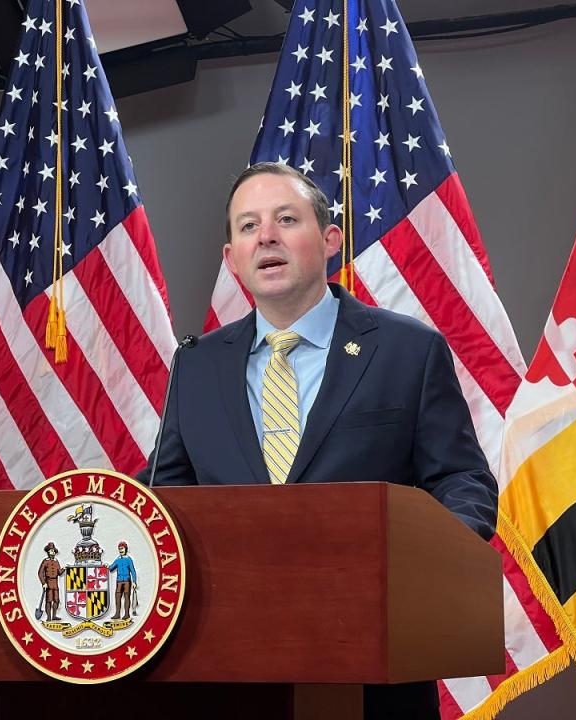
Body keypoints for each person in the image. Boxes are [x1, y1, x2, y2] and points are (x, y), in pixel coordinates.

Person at [140, 163, 497, 719]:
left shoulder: (407, 351)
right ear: (232, 258)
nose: (266, 237)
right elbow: (163, 496)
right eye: (248, 226)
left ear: (330, 241)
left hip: (372, 659)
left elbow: (461, 479)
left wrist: (429, 562)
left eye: (286, 219)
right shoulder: (196, 365)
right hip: (229, 664)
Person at [108, 541, 137, 620]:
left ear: (126, 549)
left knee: (126, 597)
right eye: (119, 549)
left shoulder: (129, 559)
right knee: (118, 597)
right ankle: (117, 613)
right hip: (119, 581)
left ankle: (127, 614)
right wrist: (106, 566)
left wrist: (134, 581)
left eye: (122, 548)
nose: (121, 550)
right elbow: (111, 568)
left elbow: (133, 571)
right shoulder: (118, 559)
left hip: (127, 581)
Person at [37, 542, 65, 622]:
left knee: (56, 600)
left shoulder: (56, 561)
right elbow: (40, 573)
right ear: (48, 552)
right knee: (49, 600)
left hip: (55, 583)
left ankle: (54, 616)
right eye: (51, 551)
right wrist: (43, 583)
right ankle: (48, 617)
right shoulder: (45, 561)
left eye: (53, 551)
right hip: (48, 583)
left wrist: (64, 569)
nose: (52, 552)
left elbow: (59, 572)